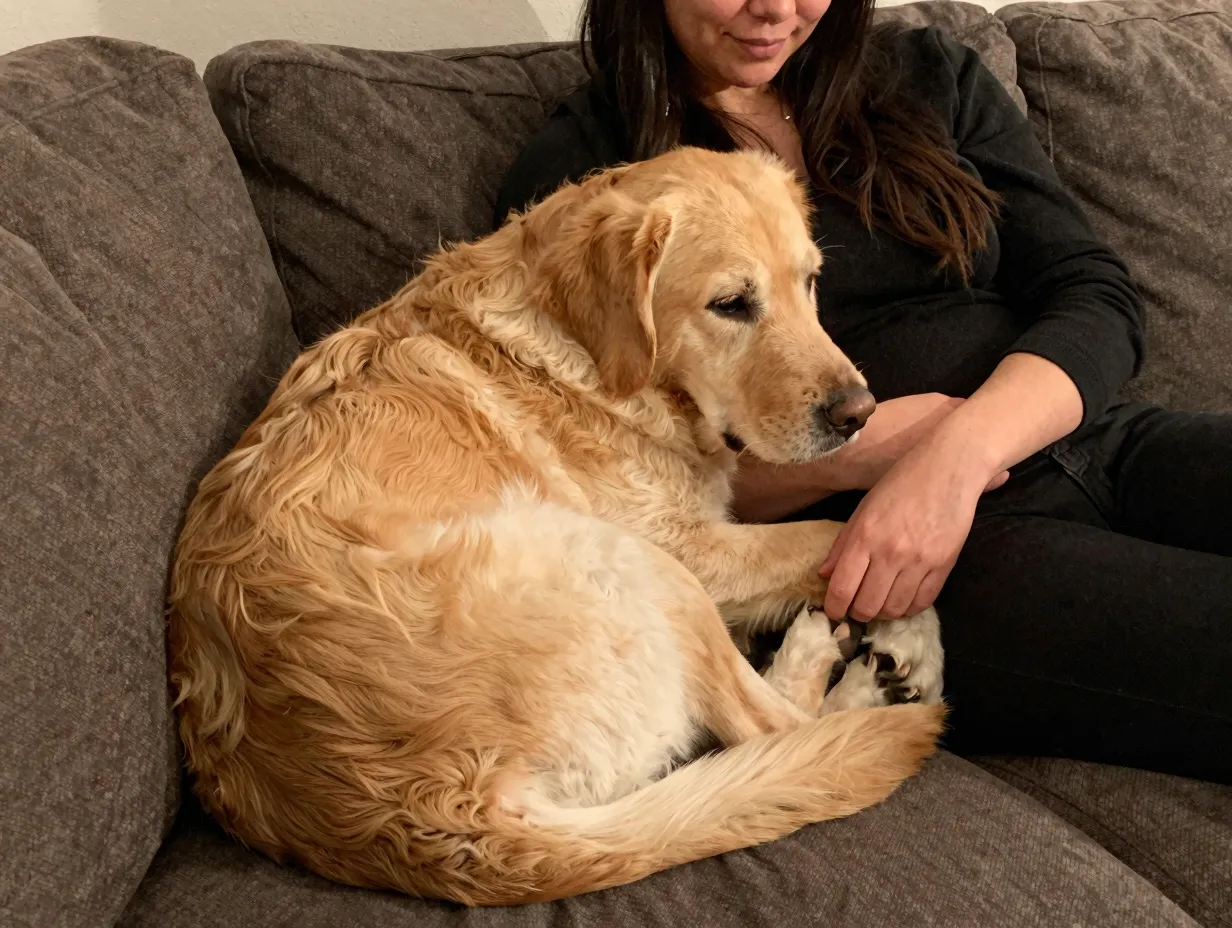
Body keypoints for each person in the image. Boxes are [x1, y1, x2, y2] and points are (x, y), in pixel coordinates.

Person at [494, 0, 1232, 784]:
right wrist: (854, 461)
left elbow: (1095, 294)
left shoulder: (927, 74)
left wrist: (955, 455)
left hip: (1095, 439)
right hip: (906, 556)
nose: (775, 8)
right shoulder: (594, 186)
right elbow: (601, 479)